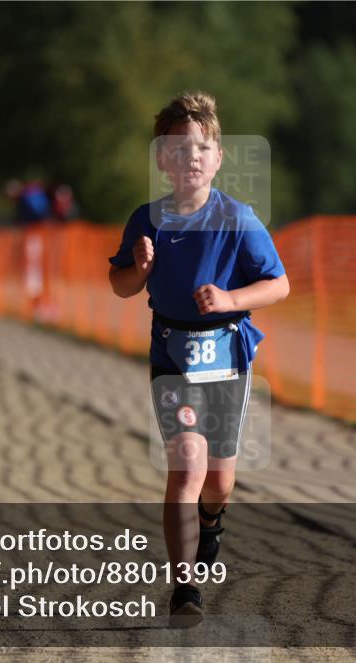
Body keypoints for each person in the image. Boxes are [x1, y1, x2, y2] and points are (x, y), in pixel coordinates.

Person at [108, 92, 289, 627]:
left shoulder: (238, 218)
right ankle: (185, 589)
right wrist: (139, 270)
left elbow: (279, 284)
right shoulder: (147, 220)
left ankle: (212, 520)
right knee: (186, 463)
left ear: (218, 158)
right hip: (171, 352)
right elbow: (120, 286)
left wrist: (231, 299)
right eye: (179, 149)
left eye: (202, 148)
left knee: (219, 481)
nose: (191, 157)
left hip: (226, 355)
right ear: (162, 160)